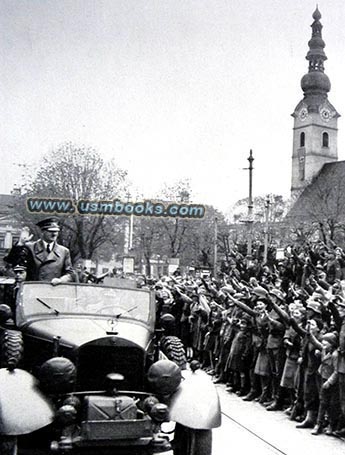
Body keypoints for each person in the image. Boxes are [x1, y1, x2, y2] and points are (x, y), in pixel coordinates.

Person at [4, 217, 74, 285]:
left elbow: (70, 273)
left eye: (56, 231)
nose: (54, 234)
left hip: (54, 290)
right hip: (33, 290)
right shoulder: (30, 247)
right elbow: (11, 261)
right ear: (42, 232)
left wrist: (61, 280)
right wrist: (20, 243)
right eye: (50, 231)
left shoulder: (64, 251)